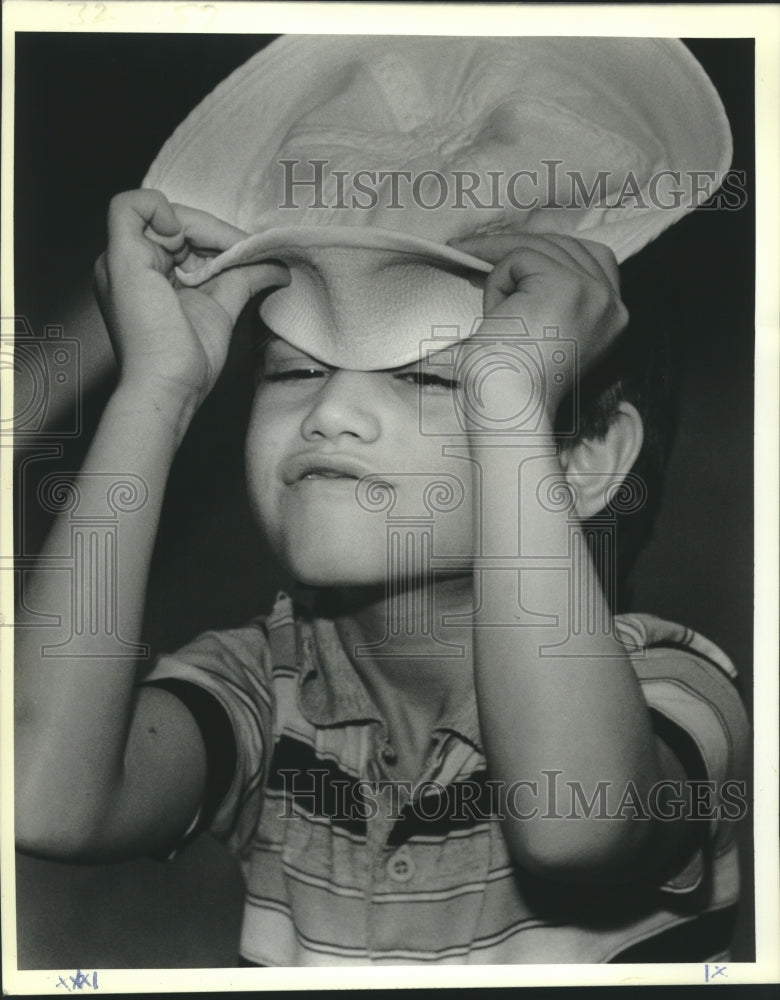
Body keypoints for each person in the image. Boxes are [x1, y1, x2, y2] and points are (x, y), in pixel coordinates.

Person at [15, 36, 749, 966]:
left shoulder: (676, 691)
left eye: (441, 382)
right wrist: (155, 390)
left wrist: (510, 400)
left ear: (583, 460)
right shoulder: (266, 693)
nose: (332, 411)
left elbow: (577, 825)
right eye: (294, 371)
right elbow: (37, 795)